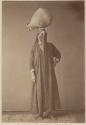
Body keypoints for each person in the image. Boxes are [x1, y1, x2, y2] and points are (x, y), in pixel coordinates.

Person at [29, 27, 61, 119]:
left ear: (46, 35)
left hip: (49, 74)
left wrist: (56, 59)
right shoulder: (34, 48)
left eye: (44, 34)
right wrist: (32, 73)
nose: (42, 36)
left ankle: (49, 112)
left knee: (49, 91)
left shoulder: (50, 46)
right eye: (40, 34)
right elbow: (30, 62)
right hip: (38, 74)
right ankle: (40, 113)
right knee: (39, 92)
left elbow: (58, 54)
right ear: (37, 35)